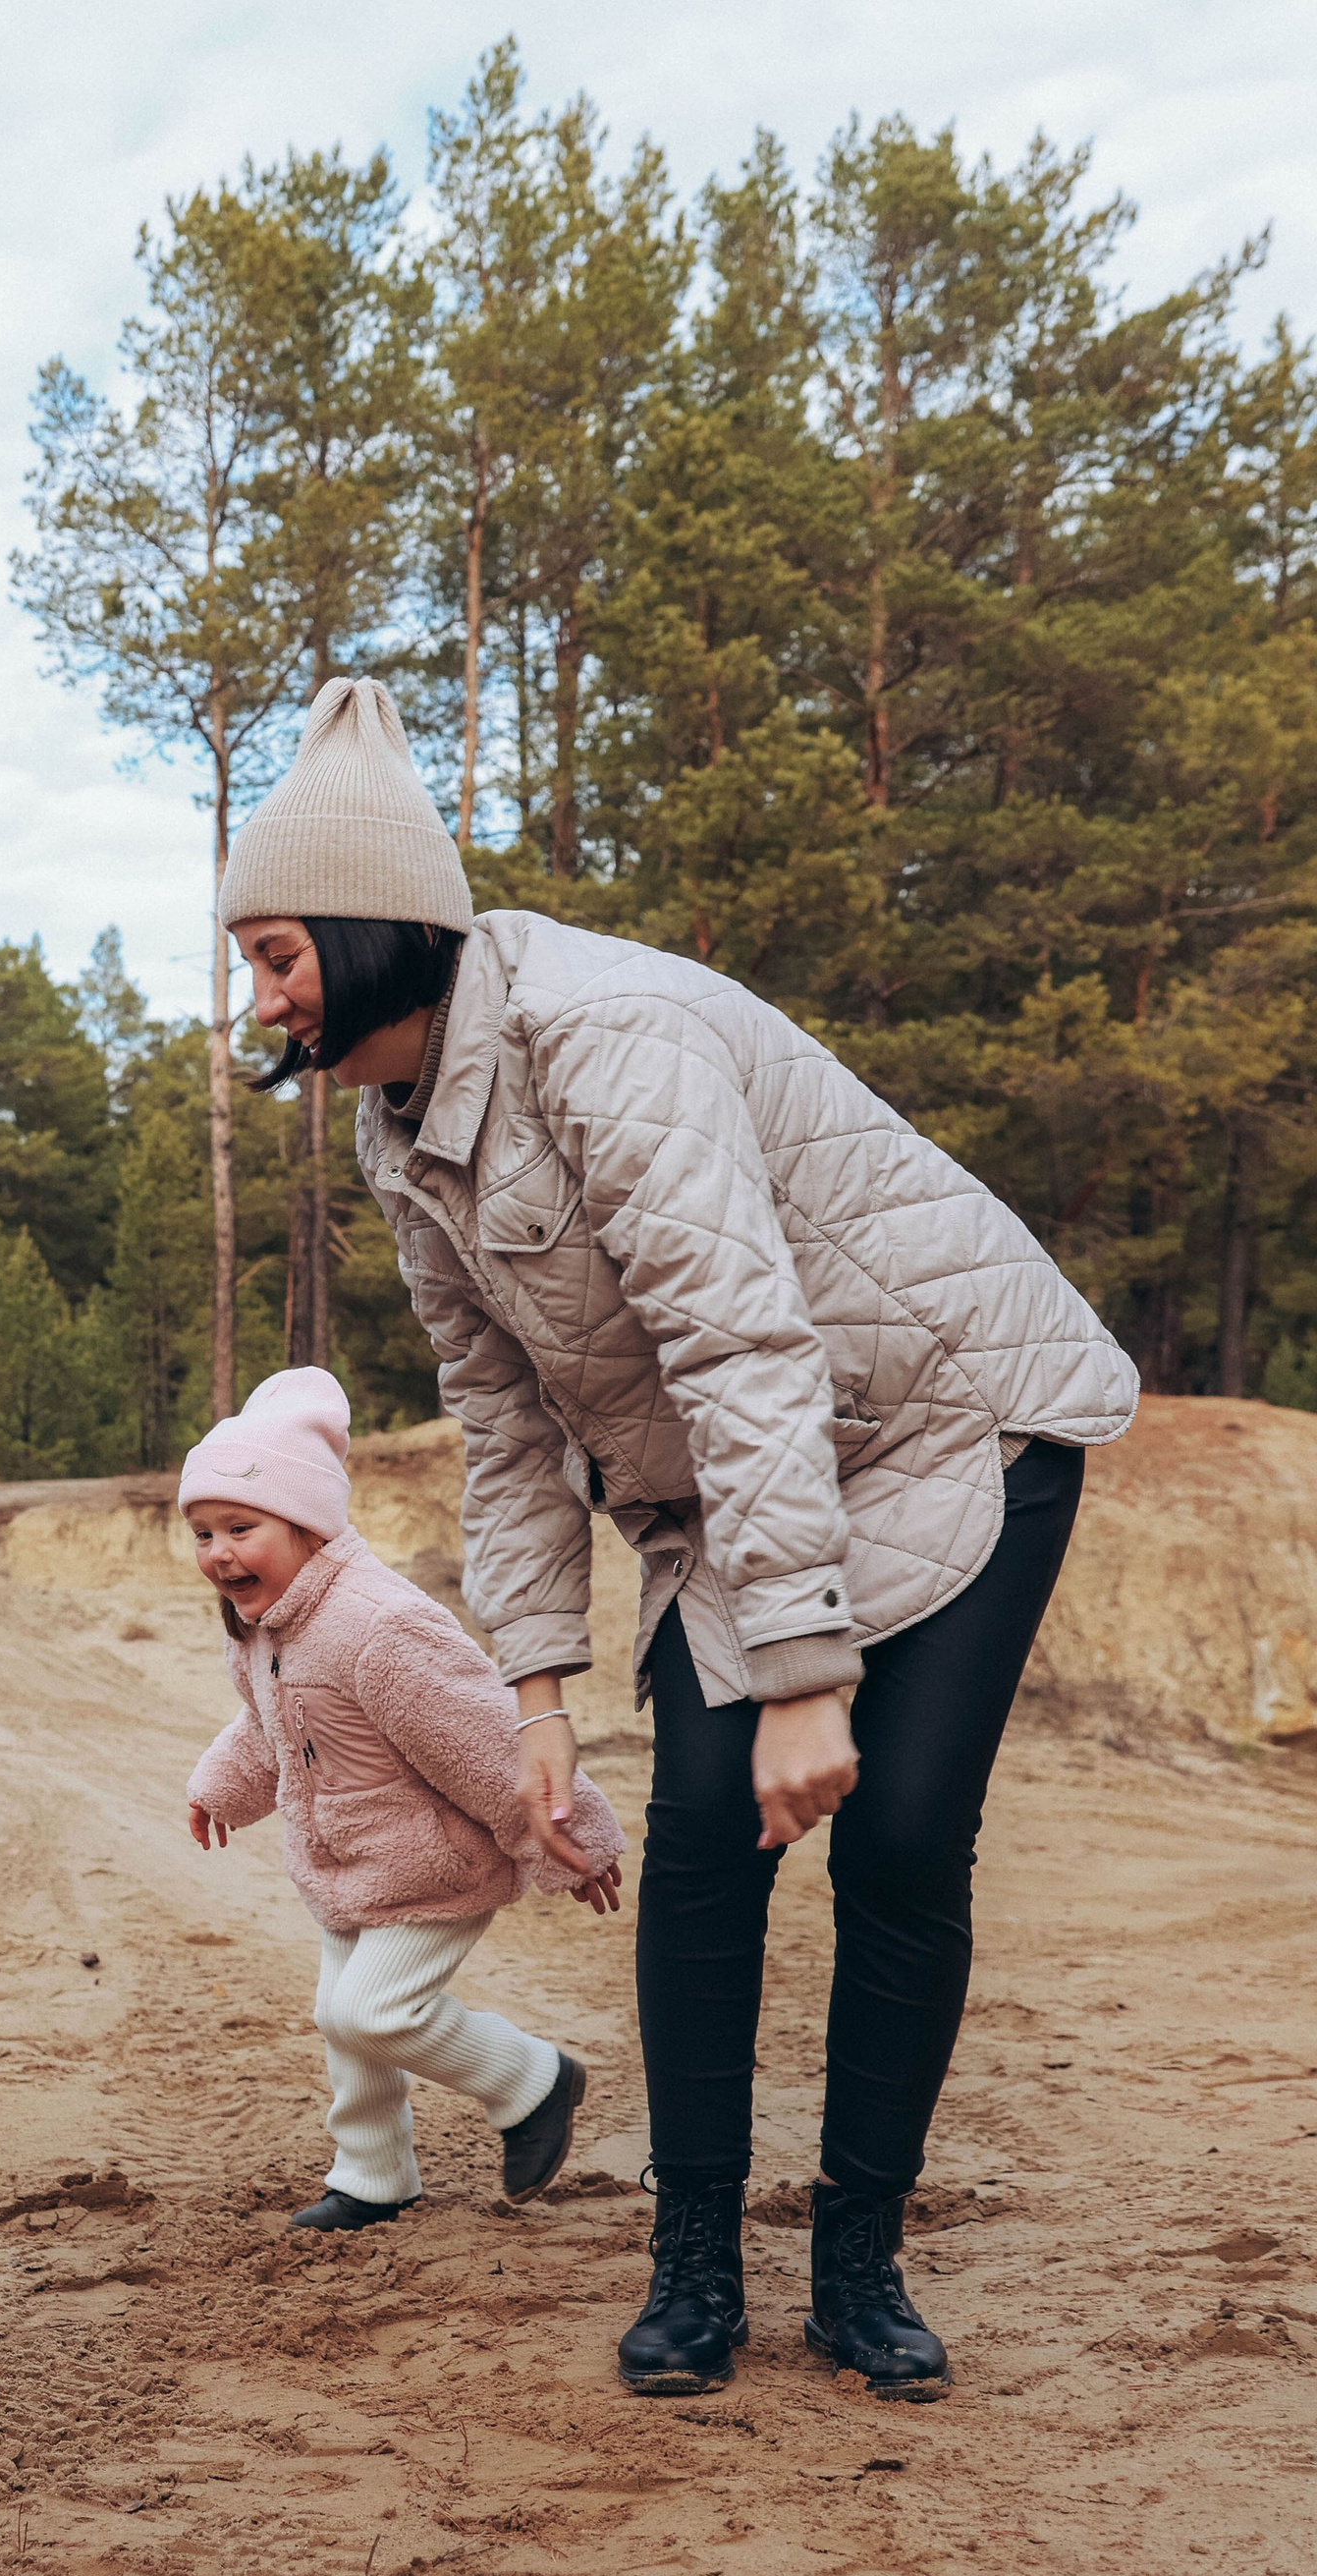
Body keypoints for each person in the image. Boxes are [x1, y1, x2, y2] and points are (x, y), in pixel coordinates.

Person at [217, 681, 1137, 2403]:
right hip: (748, 1475)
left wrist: (803, 1674)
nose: (259, 999)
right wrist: (538, 1691)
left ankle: (859, 2263)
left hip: (956, 1421)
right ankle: (696, 2258)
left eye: (276, 955)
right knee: (707, 1839)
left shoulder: (605, 1030)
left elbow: (736, 1339)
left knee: (901, 1842)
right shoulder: (398, 1130)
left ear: (372, 924)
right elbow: (503, 1417)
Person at [183, 1366, 625, 2232]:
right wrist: (218, 1788)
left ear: (309, 1523)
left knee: (372, 2011)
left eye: (240, 1527)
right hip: (347, 1863)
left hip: (433, 1864)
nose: (219, 1553)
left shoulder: (379, 1625)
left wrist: (573, 1835)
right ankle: (373, 2175)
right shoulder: (262, 1628)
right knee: (341, 2022)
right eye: (202, 1533)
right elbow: (264, 1724)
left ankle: (532, 2080)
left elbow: (486, 1740)